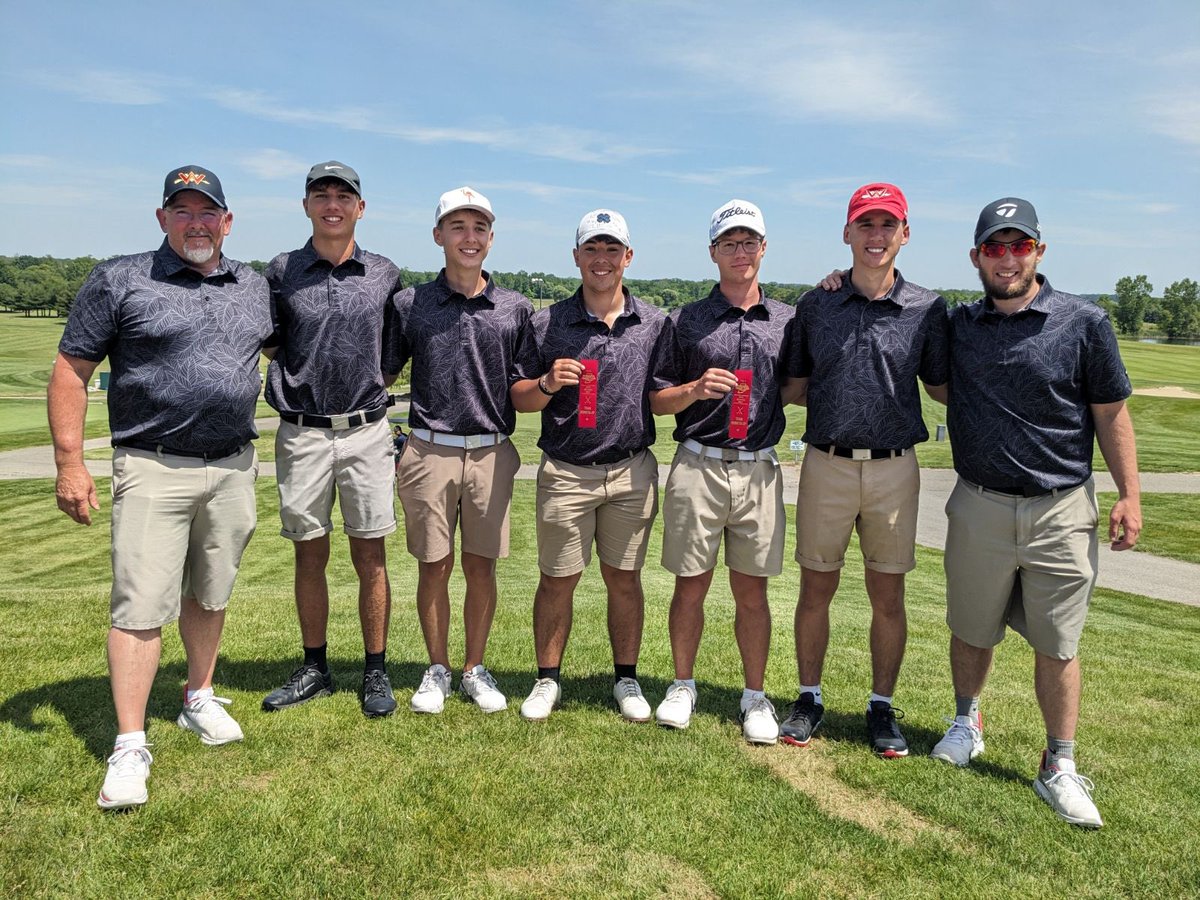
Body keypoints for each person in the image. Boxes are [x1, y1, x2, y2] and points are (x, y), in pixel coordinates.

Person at [48, 166, 271, 809]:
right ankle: (128, 743)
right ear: (162, 218)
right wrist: (70, 461)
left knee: (210, 589)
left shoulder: (252, 285)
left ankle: (197, 695)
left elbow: (289, 351)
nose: (196, 223)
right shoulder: (120, 279)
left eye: (209, 212)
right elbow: (71, 369)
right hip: (152, 464)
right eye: (183, 211)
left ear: (227, 221)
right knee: (141, 605)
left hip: (232, 465)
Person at [929, 197, 1141, 828]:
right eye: (994, 247)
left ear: (1039, 251)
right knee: (970, 627)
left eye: (1019, 245)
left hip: (1060, 506)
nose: (1007, 257)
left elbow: (1110, 412)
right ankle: (966, 721)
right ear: (976, 257)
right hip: (980, 503)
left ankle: (1059, 763)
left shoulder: (1083, 322)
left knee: (1058, 642)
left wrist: (1130, 493)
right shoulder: (960, 324)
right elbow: (931, 371)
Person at [781, 183, 948, 757]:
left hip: (894, 468)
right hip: (826, 463)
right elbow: (795, 385)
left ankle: (881, 705)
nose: (876, 237)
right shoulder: (817, 303)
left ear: (905, 234)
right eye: (865, 225)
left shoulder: (928, 308)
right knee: (814, 588)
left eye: (887, 226)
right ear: (847, 233)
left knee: (888, 594)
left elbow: (944, 385)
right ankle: (808, 697)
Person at [259, 161, 403, 719]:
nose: (332, 204)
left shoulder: (384, 273)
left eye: (344, 195)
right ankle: (315, 667)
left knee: (371, 553)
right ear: (306, 205)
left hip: (366, 431)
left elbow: (392, 351)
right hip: (302, 433)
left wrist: (365, 382)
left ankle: (375, 670)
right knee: (309, 553)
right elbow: (272, 342)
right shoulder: (281, 270)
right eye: (321, 195)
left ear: (360, 208)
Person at [511, 210, 667, 722]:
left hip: (631, 470)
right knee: (558, 579)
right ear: (576, 256)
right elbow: (521, 399)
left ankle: (626, 680)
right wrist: (549, 383)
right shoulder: (546, 322)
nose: (602, 260)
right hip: (566, 470)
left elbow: (664, 392)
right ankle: (546, 680)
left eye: (611, 249)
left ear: (629, 256)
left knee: (625, 580)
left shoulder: (655, 323)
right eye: (591, 249)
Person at [382, 187, 532, 714]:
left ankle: (474, 667)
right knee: (433, 566)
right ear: (438, 235)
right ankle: (437, 668)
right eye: (458, 227)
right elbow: (382, 373)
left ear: (491, 238)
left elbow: (523, 386)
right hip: (428, 448)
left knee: (482, 567)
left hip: (492, 450)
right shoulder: (410, 304)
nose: (469, 237)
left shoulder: (515, 307)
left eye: (479, 228)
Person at [649, 199, 793, 745]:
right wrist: (693, 390)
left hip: (759, 469)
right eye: (729, 243)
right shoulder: (684, 320)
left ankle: (754, 697)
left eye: (749, 241)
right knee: (690, 586)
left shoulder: (787, 319)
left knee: (752, 593)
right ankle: (682, 685)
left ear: (763, 248)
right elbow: (659, 401)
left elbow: (799, 385)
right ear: (713, 252)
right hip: (698, 463)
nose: (740, 251)